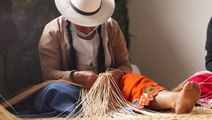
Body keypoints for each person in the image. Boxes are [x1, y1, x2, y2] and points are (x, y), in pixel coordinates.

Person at [34, 0, 200, 117]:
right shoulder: (53, 31)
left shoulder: (111, 26)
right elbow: (48, 73)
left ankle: (174, 100)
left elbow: (124, 64)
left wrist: (117, 73)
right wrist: (75, 76)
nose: (86, 26)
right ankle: (87, 114)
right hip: (73, 88)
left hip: (111, 87)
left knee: (136, 82)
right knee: (52, 91)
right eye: (81, 21)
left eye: (91, 20)